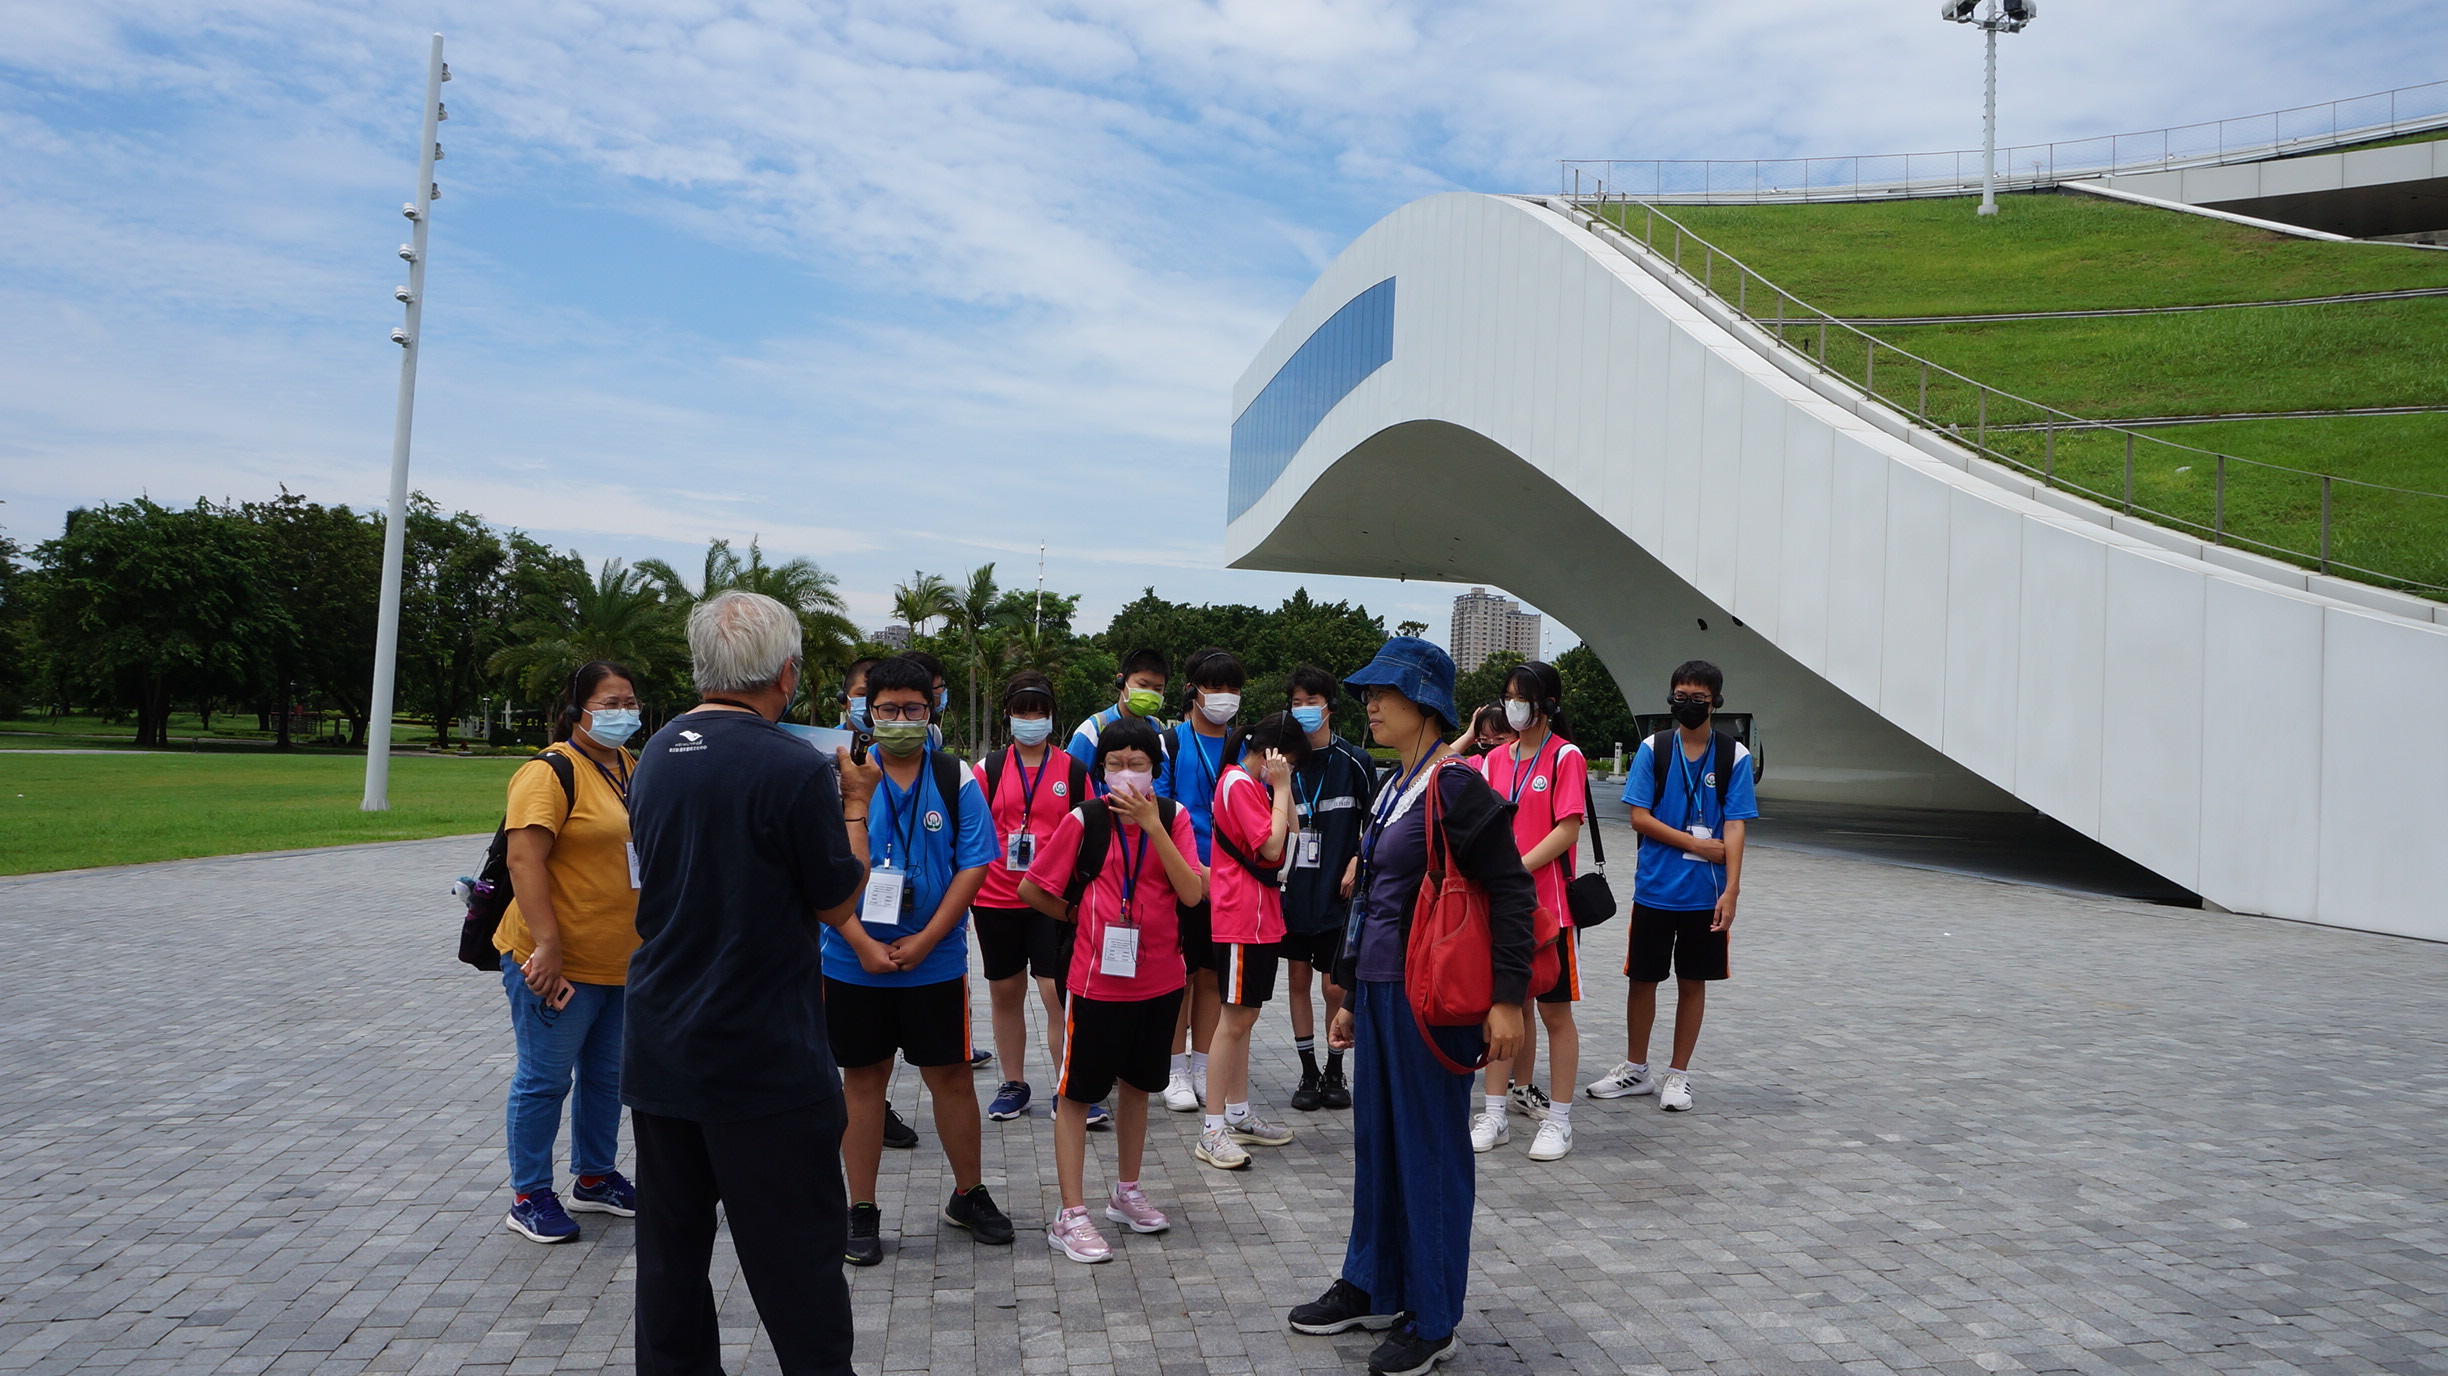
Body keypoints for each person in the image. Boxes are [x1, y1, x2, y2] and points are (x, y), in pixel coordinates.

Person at [624, 591, 878, 1376]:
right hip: (762, 1054)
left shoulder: (658, 752)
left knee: (670, 1264)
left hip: (664, 1044)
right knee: (797, 1267)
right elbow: (839, 899)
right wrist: (856, 806)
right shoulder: (793, 768)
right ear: (786, 672)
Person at [1287, 637, 1534, 1376]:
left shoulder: (1453, 785)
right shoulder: (1395, 783)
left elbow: (1513, 888)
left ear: (1424, 703)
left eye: (1383, 692)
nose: (1370, 703)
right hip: (1384, 992)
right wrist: (1350, 991)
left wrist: (1509, 1000)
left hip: (1434, 999)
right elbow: (1370, 898)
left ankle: (1432, 1317)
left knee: (1429, 1152)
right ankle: (1371, 1282)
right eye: (1366, 691)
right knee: (1379, 1147)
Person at [824, 655, 1012, 1265]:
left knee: (951, 1079)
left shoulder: (953, 776)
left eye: (913, 709)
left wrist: (930, 937)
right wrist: (859, 941)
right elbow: (817, 876)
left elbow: (975, 862)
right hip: (852, 961)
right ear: (863, 711)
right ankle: (861, 1209)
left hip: (934, 962)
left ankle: (969, 1193)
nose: (901, 719)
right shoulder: (835, 777)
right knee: (865, 1082)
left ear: (932, 710)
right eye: (886, 709)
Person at [1017, 717, 1207, 1263]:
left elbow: (1192, 893)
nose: (1127, 774)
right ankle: (1070, 1213)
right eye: (1116, 764)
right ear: (1101, 770)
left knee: (1139, 1088)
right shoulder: (1085, 820)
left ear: (1156, 770)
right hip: (1097, 984)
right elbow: (1034, 887)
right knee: (1077, 1095)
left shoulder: (1175, 818)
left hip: (1161, 980)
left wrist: (1153, 827)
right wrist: (1077, 914)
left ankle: (1127, 1192)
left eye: (1139, 764)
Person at [495, 660, 644, 1245]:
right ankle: (529, 1193)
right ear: (577, 708)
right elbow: (523, 860)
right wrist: (548, 949)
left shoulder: (632, 766)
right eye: (608, 703)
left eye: (629, 701)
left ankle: (595, 1176)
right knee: (545, 1078)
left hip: (621, 961)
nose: (622, 713)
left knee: (607, 1077)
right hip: (554, 961)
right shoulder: (549, 772)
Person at [1587, 659, 1757, 1115]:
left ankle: (1678, 1073)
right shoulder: (1653, 748)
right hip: (1655, 888)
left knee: (1692, 981)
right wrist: (1698, 846)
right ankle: (1636, 1068)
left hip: (1706, 894)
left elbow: (1736, 826)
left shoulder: (1733, 756)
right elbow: (1638, 817)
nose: (1688, 705)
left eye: (1698, 699)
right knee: (1642, 979)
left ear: (1716, 702)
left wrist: (1732, 890)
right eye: (1680, 696)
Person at [1468, 661, 1588, 1162]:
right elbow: (1440, 770)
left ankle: (1558, 1120)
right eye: (1508, 696)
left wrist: (1515, 866)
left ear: (1548, 705)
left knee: (1554, 1013)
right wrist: (1469, 732)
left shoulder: (1567, 756)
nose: (1514, 705)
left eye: (1523, 697)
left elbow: (1568, 829)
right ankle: (1494, 1113)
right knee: (1502, 1008)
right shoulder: (1496, 758)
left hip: (1550, 911)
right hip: (1501, 909)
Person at [971, 671, 1095, 1125]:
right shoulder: (989, 768)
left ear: (1050, 715)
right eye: (1023, 711)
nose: (1031, 719)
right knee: (1005, 992)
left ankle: (1072, 1084)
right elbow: (973, 832)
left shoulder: (1073, 771)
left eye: (1039, 711)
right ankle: (1014, 1084)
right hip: (993, 899)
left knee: (1056, 993)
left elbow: (1090, 834)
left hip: (1051, 901)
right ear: (1008, 716)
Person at [1195, 710, 1305, 1169]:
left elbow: (1295, 836)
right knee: (1233, 1021)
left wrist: (1283, 787)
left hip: (1261, 918)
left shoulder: (1256, 786)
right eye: (1290, 764)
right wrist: (1281, 787)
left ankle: (1237, 1113)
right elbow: (1274, 848)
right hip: (1241, 917)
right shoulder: (1239, 784)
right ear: (1274, 754)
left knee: (1246, 1019)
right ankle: (1213, 1129)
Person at [1280, 666, 1374, 1112]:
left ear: (1330, 706)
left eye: (1311, 701)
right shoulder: (1282, 764)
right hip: (1294, 894)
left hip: (1339, 898)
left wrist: (1358, 859)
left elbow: (1377, 823)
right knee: (1297, 979)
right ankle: (1308, 1071)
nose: (1304, 710)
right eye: (1296, 702)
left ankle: (1336, 1069)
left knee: (1334, 987)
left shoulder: (1356, 761)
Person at [1155, 647, 1241, 1113]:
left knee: (1212, 975)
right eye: (1216, 687)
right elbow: (1163, 811)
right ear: (1193, 691)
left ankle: (1207, 1067)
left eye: (1233, 688)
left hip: (1230, 882)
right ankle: (1175, 1072)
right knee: (1181, 976)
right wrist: (1195, 870)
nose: (1226, 697)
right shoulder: (1171, 742)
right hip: (1184, 877)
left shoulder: (1243, 743)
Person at [1066, 647, 1169, 767]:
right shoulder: (1095, 729)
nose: (1149, 693)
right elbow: (1072, 777)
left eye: (1157, 689)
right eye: (1143, 685)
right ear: (1121, 681)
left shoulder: (1160, 730)